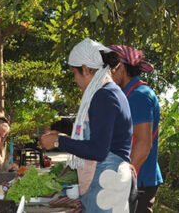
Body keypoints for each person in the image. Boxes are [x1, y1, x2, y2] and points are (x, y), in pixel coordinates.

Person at [40, 38, 137, 212]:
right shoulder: (111, 92)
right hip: (107, 182)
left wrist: (59, 141)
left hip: (107, 182)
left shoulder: (104, 96)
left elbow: (98, 150)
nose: (75, 80)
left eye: (74, 73)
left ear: (85, 69)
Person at [109, 45, 163, 213]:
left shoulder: (139, 95)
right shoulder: (128, 94)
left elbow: (143, 143)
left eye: (110, 68)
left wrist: (123, 179)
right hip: (136, 177)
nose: (108, 73)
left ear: (122, 67)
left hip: (139, 179)